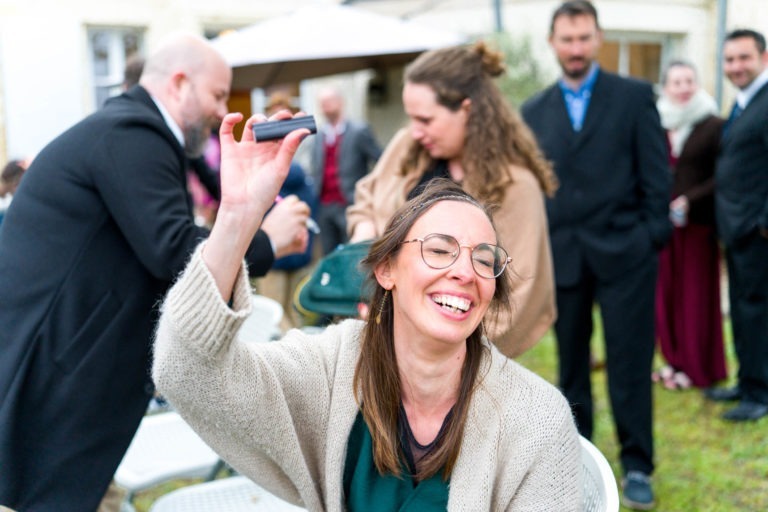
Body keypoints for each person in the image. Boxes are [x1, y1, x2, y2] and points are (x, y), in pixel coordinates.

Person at [152, 109, 582, 509]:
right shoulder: (331, 368)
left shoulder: (536, 422)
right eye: (439, 250)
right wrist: (237, 218)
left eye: (485, 259)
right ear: (386, 270)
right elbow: (185, 370)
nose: (465, 272)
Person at [0, 33, 310, 511]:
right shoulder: (133, 134)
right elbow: (174, 253)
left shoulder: (133, 131)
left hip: (60, 367)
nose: (222, 109)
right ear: (180, 83)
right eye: (218, 94)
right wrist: (268, 240)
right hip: (56, 376)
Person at [520, 2, 671, 509]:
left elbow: (656, 175)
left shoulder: (633, 97)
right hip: (565, 258)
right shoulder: (534, 111)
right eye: (567, 39)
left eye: (584, 38)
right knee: (571, 368)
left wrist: (650, 235)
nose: (576, 48)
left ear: (598, 39)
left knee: (630, 364)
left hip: (627, 254)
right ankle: (576, 462)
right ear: (552, 42)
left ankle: (637, 465)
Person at [347, 41, 558, 359]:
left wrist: (438, 348)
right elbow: (367, 196)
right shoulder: (409, 146)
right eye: (412, 119)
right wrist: (365, 235)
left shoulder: (516, 186)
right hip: (382, 342)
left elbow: (521, 295)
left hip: (463, 360)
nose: (415, 131)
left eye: (426, 120)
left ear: (467, 109)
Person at [705, 29, 768, 422]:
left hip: (756, 230)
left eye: (743, 58)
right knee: (744, 312)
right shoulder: (744, 103)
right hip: (737, 228)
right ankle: (748, 383)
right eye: (729, 60)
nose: (735, 67)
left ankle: (759, 394)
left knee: (757, 312)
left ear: (763, 57)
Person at [652, 60, 727, 391]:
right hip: (665, 227)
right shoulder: (658, 123)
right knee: (667, 295)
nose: (683, 88)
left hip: (697, 226)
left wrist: (689, 200)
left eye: (688, 81)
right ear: (666, 87)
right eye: (676, 82)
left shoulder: (713, 124)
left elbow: (720, 175)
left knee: (694, 297)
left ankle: (697, 368)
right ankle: (673, 361)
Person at [259, 91, 319, 330]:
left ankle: (290, 352)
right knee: (293, 308)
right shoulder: (302, 176)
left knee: (273, 308)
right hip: (297, 245)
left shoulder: (269, 172)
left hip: (275, 249)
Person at [310, 86, 382, 255]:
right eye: (322, 104)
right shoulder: (319, 135)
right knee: (328, 253)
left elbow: (380, 160)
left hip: (350, 202)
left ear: (340, 102)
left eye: (328, 102)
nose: (325, 107)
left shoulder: (359, 130)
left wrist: (370, 191)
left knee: (352, 251)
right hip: (325, 205)